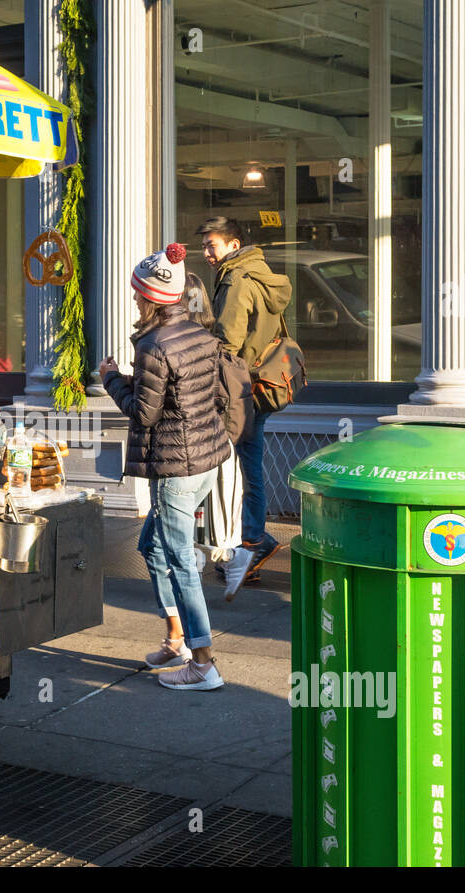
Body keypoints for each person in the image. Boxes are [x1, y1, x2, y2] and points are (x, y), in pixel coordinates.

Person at [100, 243, 231, 691]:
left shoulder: (155, 346)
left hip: (176, 468)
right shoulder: (198, 333)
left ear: (153, 298)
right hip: (204, 460)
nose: (135, 301)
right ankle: (176, 636)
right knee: (153, 548)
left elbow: (142, 413)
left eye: (139, 295)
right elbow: (209, 397)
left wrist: (112, 379)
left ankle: (203, 663)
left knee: (179, 561)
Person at [198, 216, 293, 595]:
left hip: (241, 389)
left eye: (212, 246)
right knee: (246, 466)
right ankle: (254, 542)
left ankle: (251, 547)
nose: (206, 252)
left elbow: (228, 343)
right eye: (205, 246)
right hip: (259, 383)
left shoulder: (236, 281)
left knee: (242, 469)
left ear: (233, 245)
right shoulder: (259, 272)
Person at [183, 272, 251, 600]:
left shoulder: (186, 344)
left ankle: (216, 564)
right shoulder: (212, 340)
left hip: (200, 445)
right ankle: (203, 567)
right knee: (212, 514)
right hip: (220, 443)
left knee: (197, 515)